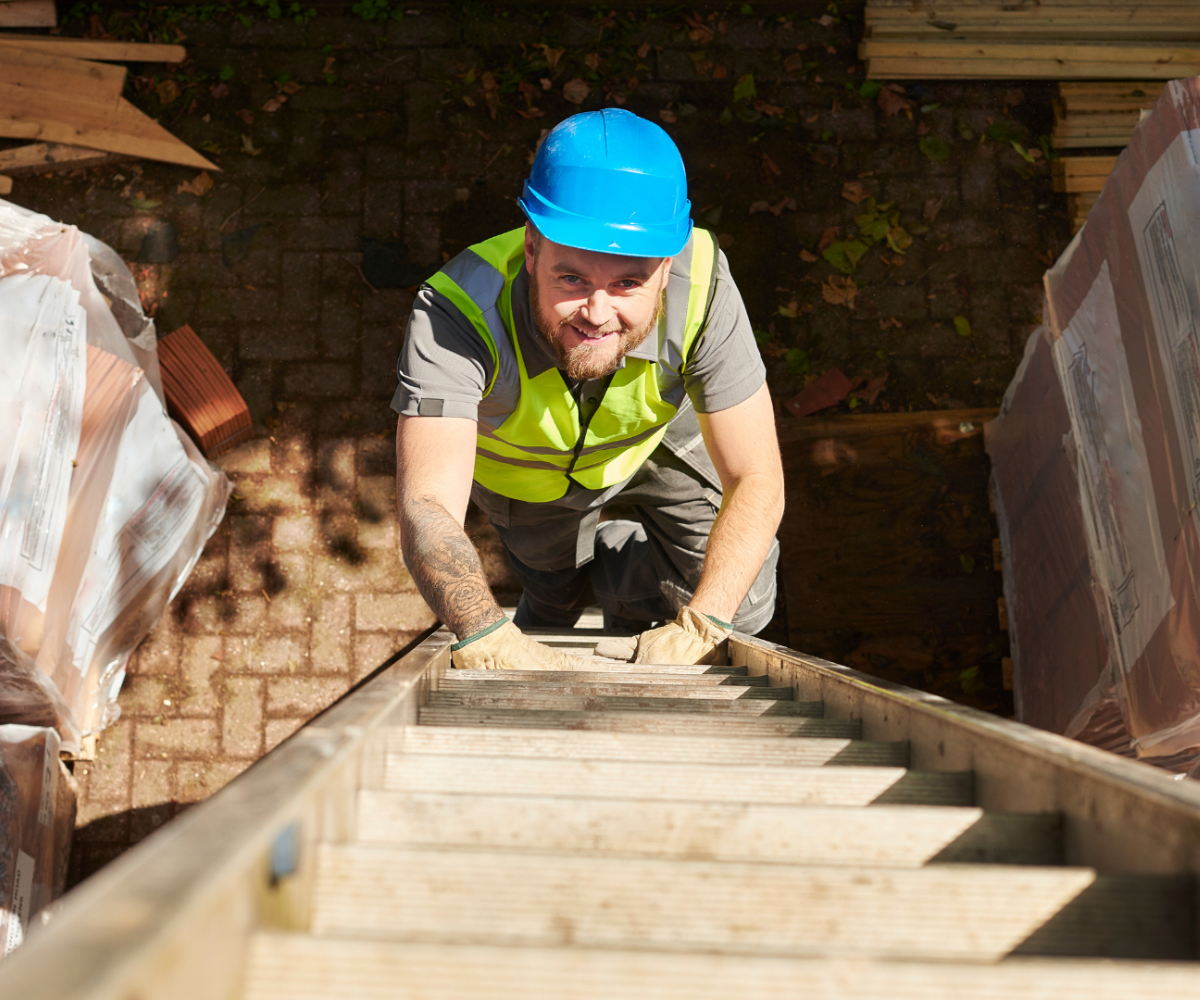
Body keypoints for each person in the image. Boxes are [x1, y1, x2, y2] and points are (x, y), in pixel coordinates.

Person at [392, 108, 784, 669]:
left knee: (742, 610)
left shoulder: (705, 281)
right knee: (552, 593)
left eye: (628, 283)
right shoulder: (454, 311)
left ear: (667, 266)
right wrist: (482, 631)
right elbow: (426, 501)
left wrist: (705, 623)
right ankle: (569, 601)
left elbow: (757, 476)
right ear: (531, 248)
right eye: (572, 278)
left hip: (655, 444)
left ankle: (623, 584)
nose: (597, 315)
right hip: (528, 489)